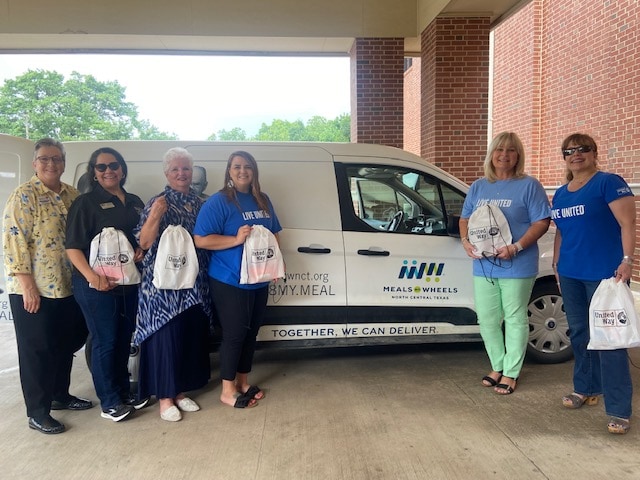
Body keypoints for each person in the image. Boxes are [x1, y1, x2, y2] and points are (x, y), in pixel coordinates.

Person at [3, 138, 93, 435]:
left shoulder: (72, 194)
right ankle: (37, 412)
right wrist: (27, 285)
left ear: (64, 162)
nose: (51, 164)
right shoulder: (23, 195)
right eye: (44, 159)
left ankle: (60, 396)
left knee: (63, 345)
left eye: (56, 159)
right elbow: (14, 244)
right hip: (35, 289)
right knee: (37, 351)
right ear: (35, 163)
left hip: (68, 285)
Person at [551, 133, 636, 434]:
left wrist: (627, 259)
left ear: (593, 153)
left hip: (605, 276)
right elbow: (561, 232)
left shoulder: (608, 183)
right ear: (564, 158)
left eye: (583, 149)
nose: (576, 154)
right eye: (569, 151)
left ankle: (619, 409)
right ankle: (585, 388)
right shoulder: (561, 194)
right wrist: (556, 265)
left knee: (610, 342)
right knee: (580, 335)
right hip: (571, 273)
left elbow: (628, 223)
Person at [459, 132, 551, 395]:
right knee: (487, 319)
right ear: (491, 154)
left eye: (511, 150)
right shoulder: (479, 186)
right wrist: (466, 242)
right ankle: (496, 365)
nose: (504, 155)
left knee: (514, 318)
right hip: (484, 265)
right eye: (499, 150)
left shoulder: (529, 185)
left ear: (518, 155)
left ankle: (511, 372)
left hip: (517, 264)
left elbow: (541, 222)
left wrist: (517, 247)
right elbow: (465, 218)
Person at [65, 147, 149, 422]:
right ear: (94, 173)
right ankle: (110, 402)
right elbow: (73, 248)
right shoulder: (85, 203)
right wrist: (93, 277)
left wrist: (141, 251)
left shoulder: (135, 201)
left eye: (113, 165)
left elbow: (139, 238)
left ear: (122, 169)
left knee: (124, 339)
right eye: (101, 167)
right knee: (105, 341)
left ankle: (124, 394)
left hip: (128, 282)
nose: (108, 171)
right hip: (96, 286)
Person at [194, 150, 282, 408]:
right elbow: (201, 239)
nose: (242, 171)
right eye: (237, 166)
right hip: (230, 280)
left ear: (254, 171)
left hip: (259, 279)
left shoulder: (261, 199)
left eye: (247, 166)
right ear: (229, 171)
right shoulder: (219, 202)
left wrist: (276, 264)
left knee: (251, 333)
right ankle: (227, 390)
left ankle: (243, 382)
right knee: (234, 334)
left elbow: (275, 233)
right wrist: (235, 240)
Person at [133, 148, 212, 422]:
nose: (182, 173)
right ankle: (165, 398)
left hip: (194, 284)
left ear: (193, 173)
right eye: (176, 169)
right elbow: (143, 243)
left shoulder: (201, 203)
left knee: (188, 337)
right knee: (166, 339)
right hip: (164, 286)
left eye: (186, 169)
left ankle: (179, 392)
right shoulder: (158, 201)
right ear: (167, 173)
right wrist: (155, 215)